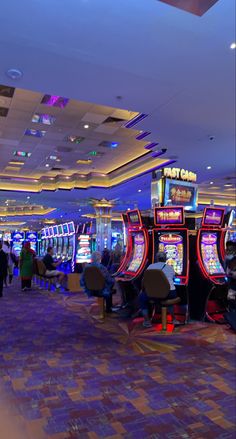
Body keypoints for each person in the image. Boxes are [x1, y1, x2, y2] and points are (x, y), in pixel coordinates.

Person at [139, 251, 177, 328]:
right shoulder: (170, 268)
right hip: (168, 293)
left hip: (152, 294)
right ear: (165, 259)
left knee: (142, 297)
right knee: (170, 298)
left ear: (156, 258)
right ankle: (174, 319)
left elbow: (145, 280)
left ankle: (147, 321)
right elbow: (173, 279)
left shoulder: (150, 266)